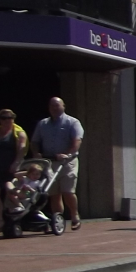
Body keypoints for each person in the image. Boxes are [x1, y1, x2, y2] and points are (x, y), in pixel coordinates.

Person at [31, 97, 84, 231]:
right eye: (52, 106)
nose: (55, 108)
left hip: (67, 162)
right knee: (54, 194)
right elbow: (35, 141)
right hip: (49, 162)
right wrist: (36, 153)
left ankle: (74, 214)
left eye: (57, 106)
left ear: (63, 106)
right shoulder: (43, 124)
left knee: (68, 191)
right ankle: (58, 220)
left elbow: (77, 141)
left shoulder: (73, 122)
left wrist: (67, 154)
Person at [0, 109, 27, 233]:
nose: (7, 120)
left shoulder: (18, 132)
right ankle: (0, 220)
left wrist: (17, 163)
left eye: (9, 118)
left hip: (10, 169)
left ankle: (15, 214)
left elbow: (22, 147)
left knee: (9, 190)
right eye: (3, 118)